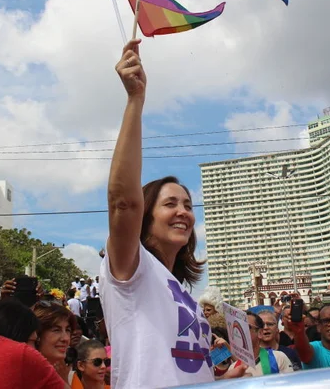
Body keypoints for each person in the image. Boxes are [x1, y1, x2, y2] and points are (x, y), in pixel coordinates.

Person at [101, 40, 245, 388]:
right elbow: (123, 201)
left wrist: (220, 375)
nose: (183, 212)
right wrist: (135, 100)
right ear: (145, 217)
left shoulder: (182, 294)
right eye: (170, 204)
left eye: (188, 205)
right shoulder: (131, 271)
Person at [33, 301, 77, 383]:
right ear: (37, 335)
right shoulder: (22, 377)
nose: (66, 338)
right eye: (56, 330)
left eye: (68, 330)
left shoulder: (70, 377)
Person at [245, 312, 293, 377]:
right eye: (262, 325)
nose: (265, 328)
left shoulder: (280, 357)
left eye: (270, 324)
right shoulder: (234, 366)